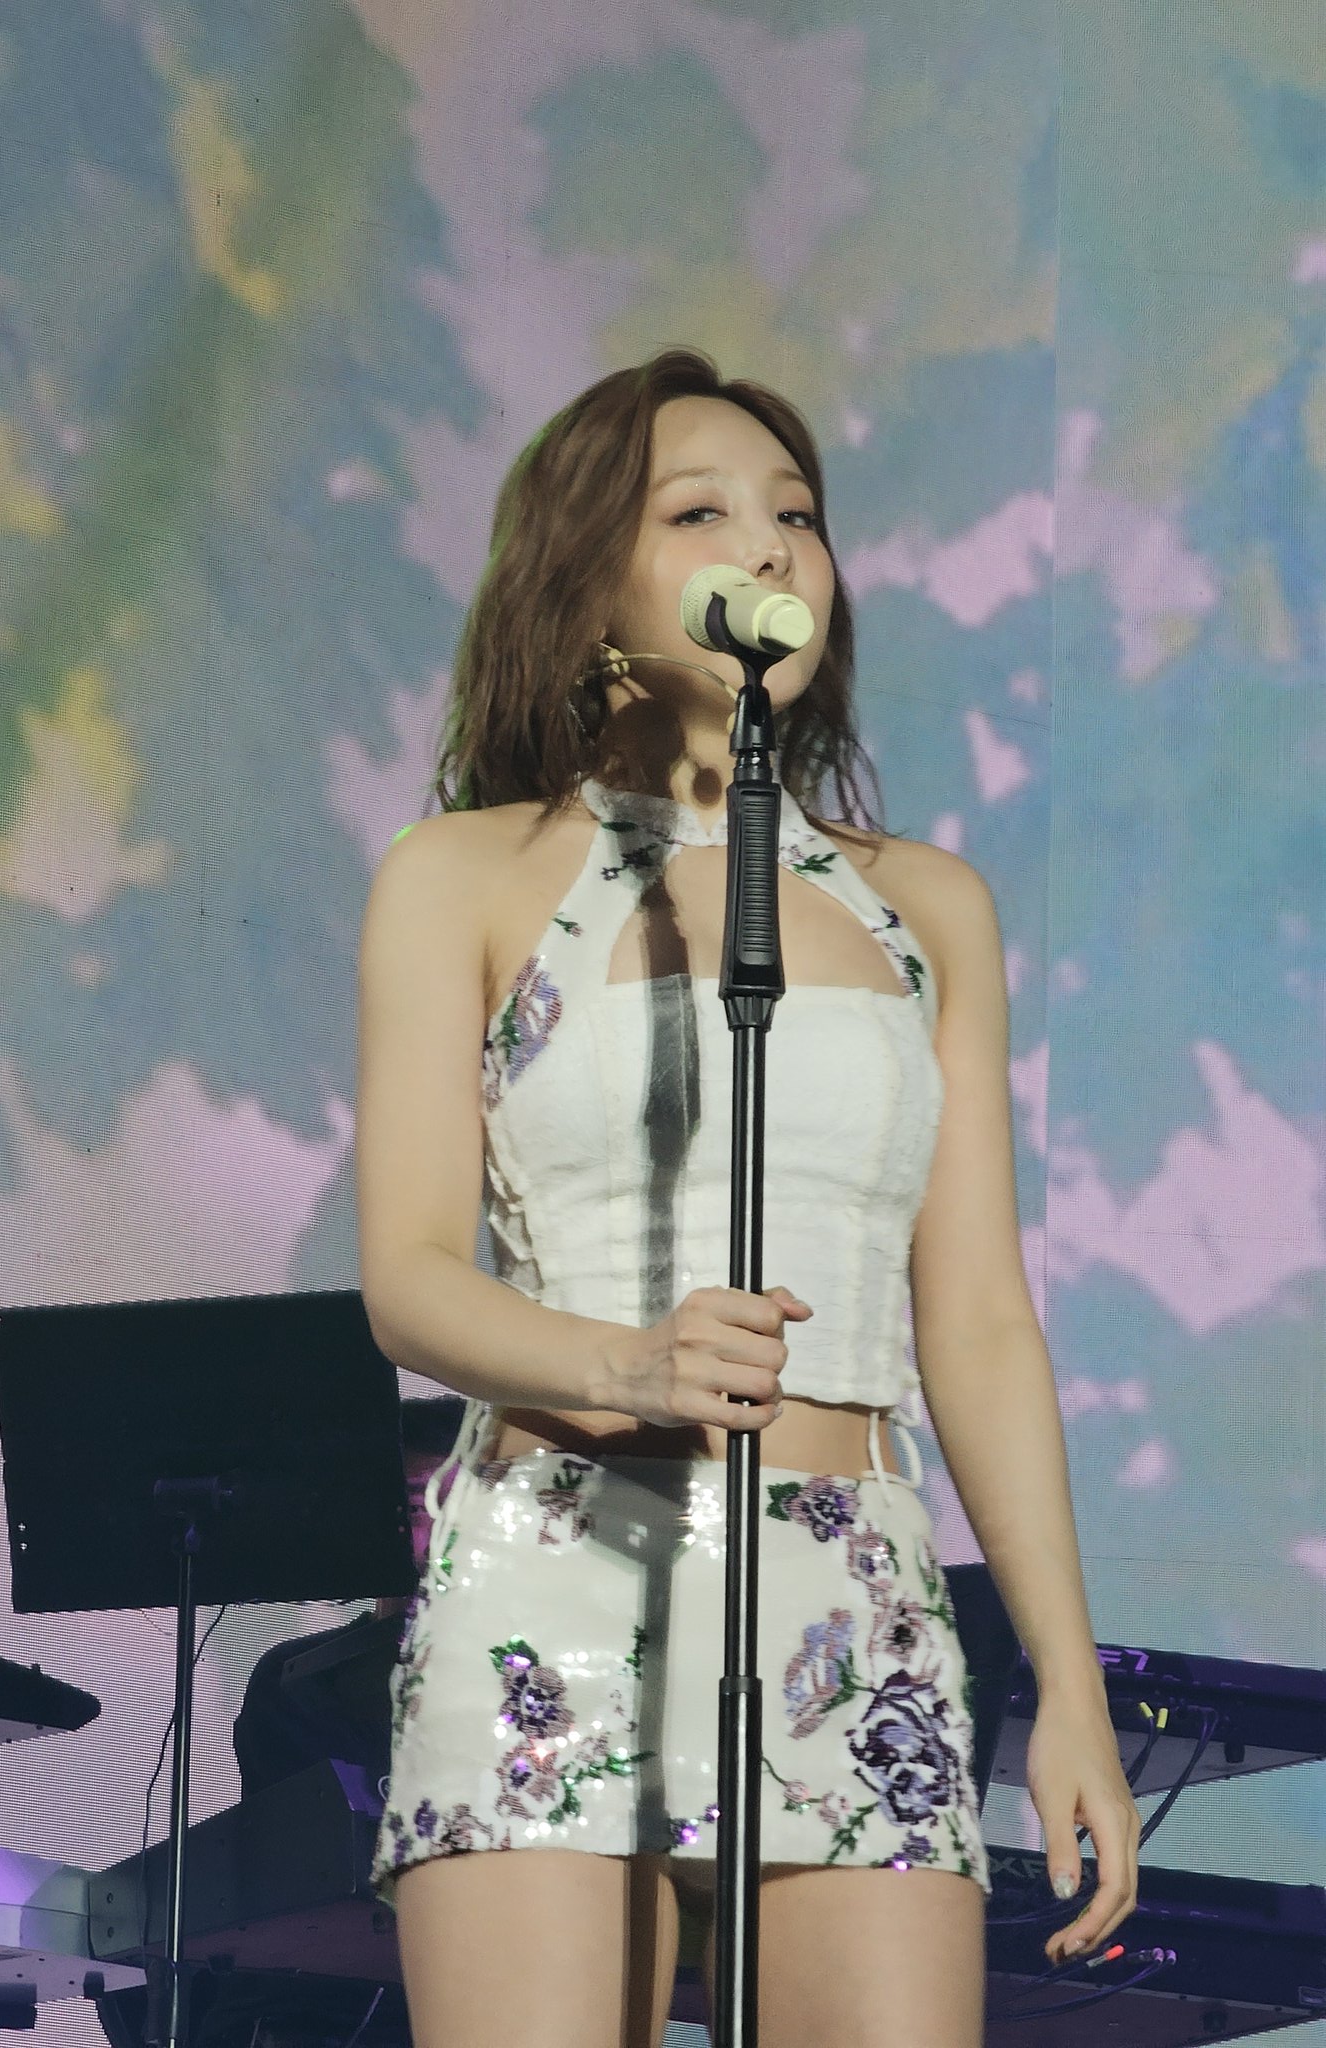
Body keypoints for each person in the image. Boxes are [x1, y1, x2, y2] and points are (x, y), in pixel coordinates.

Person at [354, 347, 1140, 2048]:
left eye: (797, 515)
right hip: (563, 1560)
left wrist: (1068, 1688)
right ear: (589, 586)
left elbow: (979, 1326)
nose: (769, 546)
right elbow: (408, 1274)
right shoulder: (465, 875)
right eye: (700, 513)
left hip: (856, 1585)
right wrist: (627, 1361)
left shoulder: (929, 909)